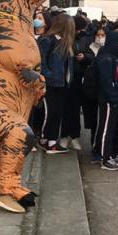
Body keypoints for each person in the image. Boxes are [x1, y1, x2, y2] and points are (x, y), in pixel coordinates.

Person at [38, 14, 78, 154]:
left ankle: (51, 141)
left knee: (57, 112)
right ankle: (47, 140)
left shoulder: (65, 42)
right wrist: (48, 75)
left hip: (62, 83)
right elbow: (40, 61)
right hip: (50, 82)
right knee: (50, 112)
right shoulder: (48, 40)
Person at [92, 30, 118, 170]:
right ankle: (104, 158)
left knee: (109, 128)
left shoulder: (114, 57)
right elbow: (106, 82)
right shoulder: (106, 59)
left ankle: (106, 155)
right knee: (106, 128)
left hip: (113, 98)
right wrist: (113, 97)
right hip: (107, 99)